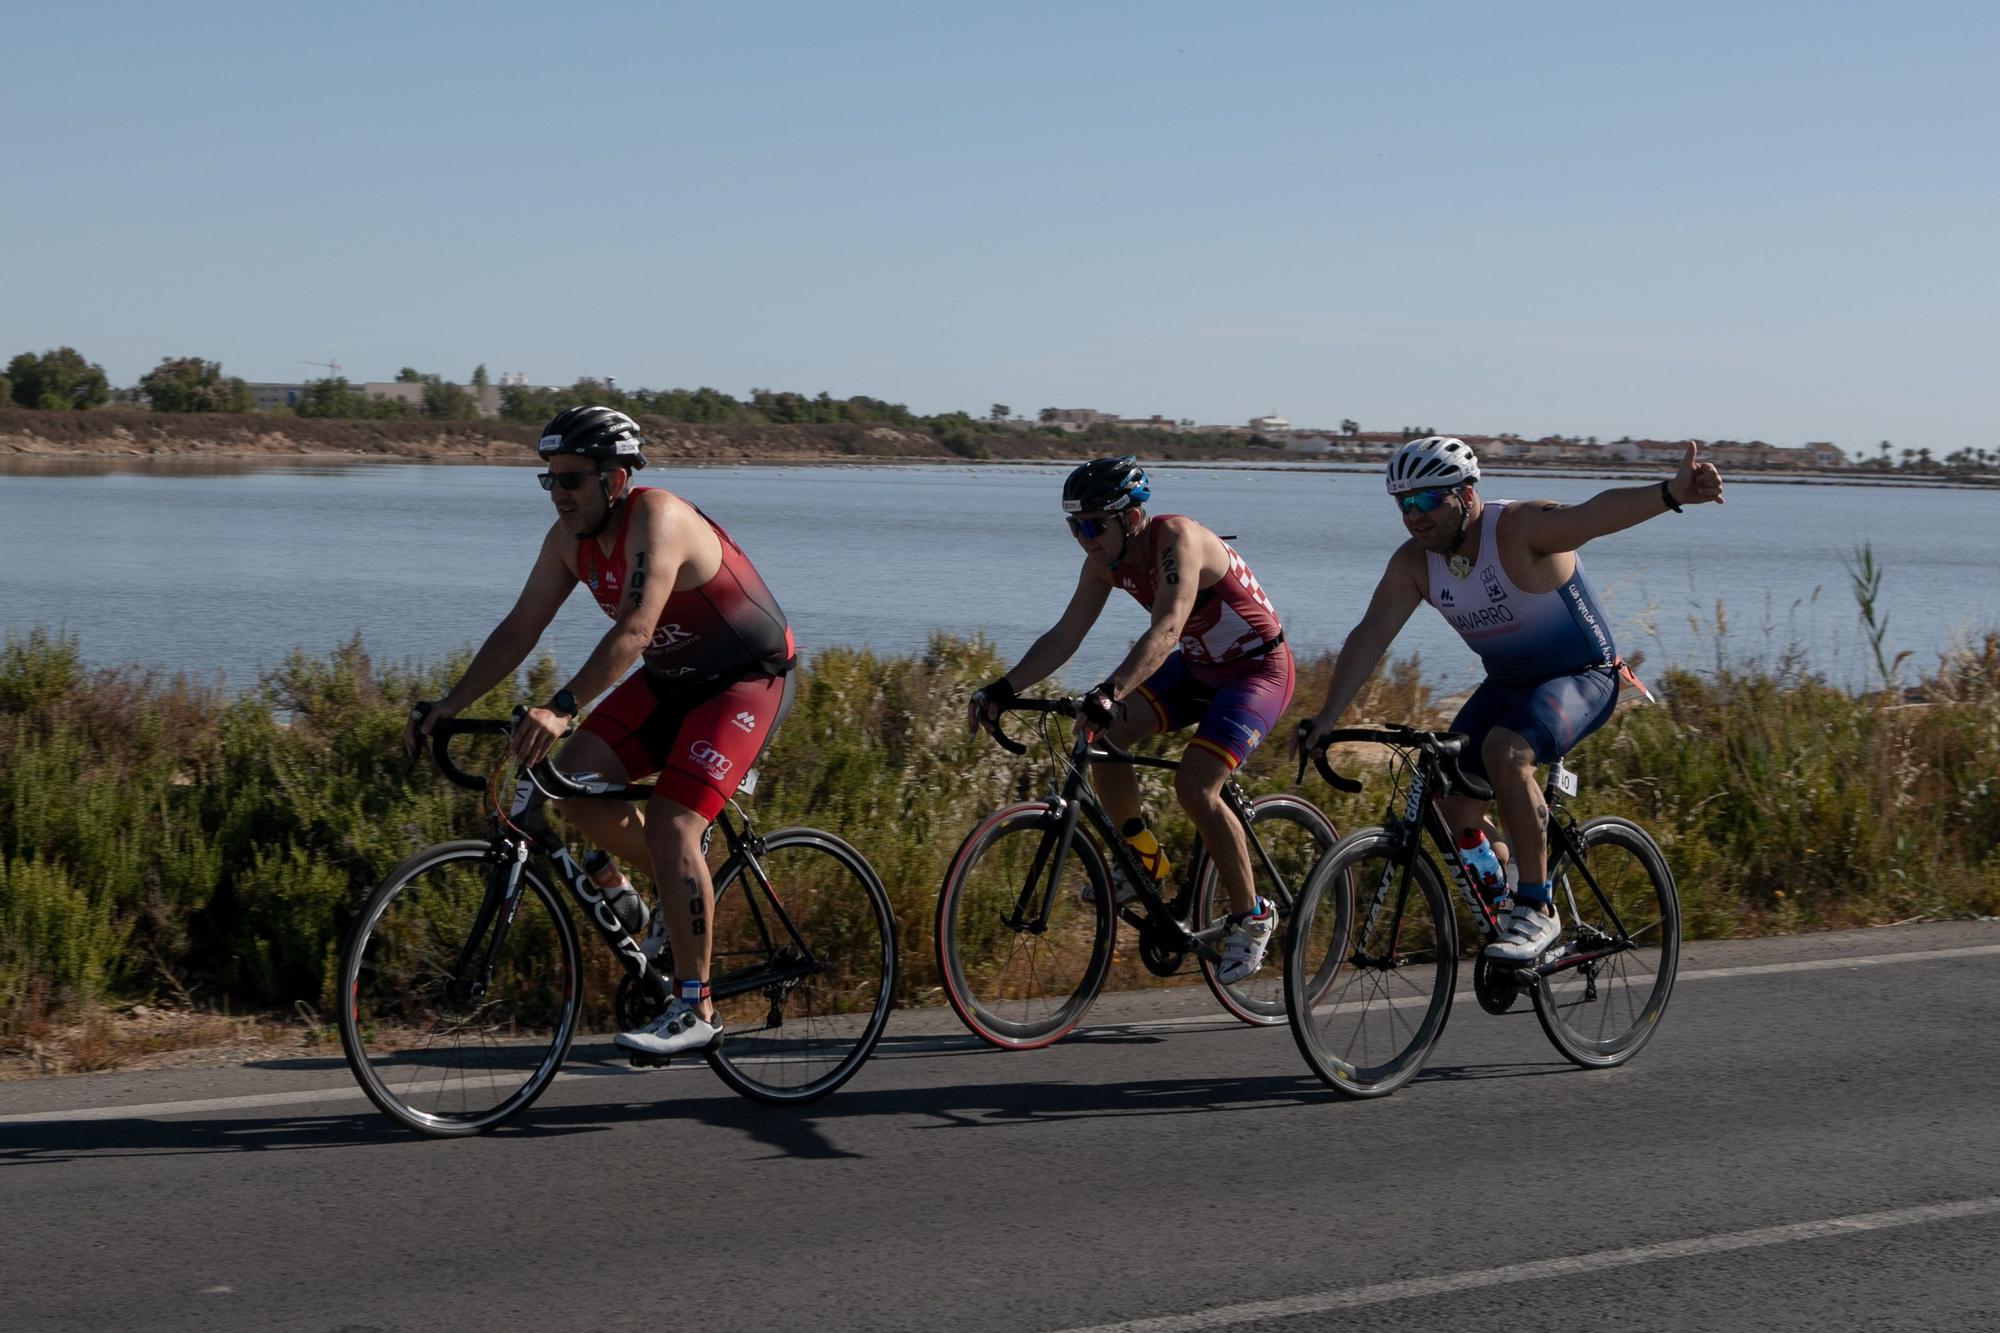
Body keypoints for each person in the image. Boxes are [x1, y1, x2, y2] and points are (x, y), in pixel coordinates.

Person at [404, 406, 796, 1057]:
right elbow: (517, 629)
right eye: (549, 480)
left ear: (615, 478)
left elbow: (636, 629)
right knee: (570, 784)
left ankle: (695, 1004)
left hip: (744, 677)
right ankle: (649, 902)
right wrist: (448, 702)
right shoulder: (568, 541)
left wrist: (560, 708)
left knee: (673, 822)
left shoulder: (658, 517)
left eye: (572, 480)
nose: (558, 494)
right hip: (675, 678)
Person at [1297, 435, 1723, 961]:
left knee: (1506, 751)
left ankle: (1537, 907)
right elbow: (1370, 637)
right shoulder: (1415, 562)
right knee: (1451, 805)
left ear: (1466, 494)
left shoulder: (1519, 529)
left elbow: (1595, 514)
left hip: (1583, 676)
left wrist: (1671, 492)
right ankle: (1506, 898)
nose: (1413, 516)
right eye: (1403, 504)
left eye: (1427, 500)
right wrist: (1326, 717)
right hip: (1508, 685)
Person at [968, 456, 1295, 983]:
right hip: (1199, 668)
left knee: (1196, 788)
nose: (1083, 538)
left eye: (1093, 524)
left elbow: (1168, 627)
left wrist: (1110, 689)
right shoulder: (1103, 561)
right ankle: (1144, 859)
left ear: (1131, 517)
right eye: (1074, 526)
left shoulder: (1178, 541)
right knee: (1105, 735)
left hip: (1257, 671)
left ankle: (1252, 915)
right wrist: (1003, 687)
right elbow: (1064, 635)